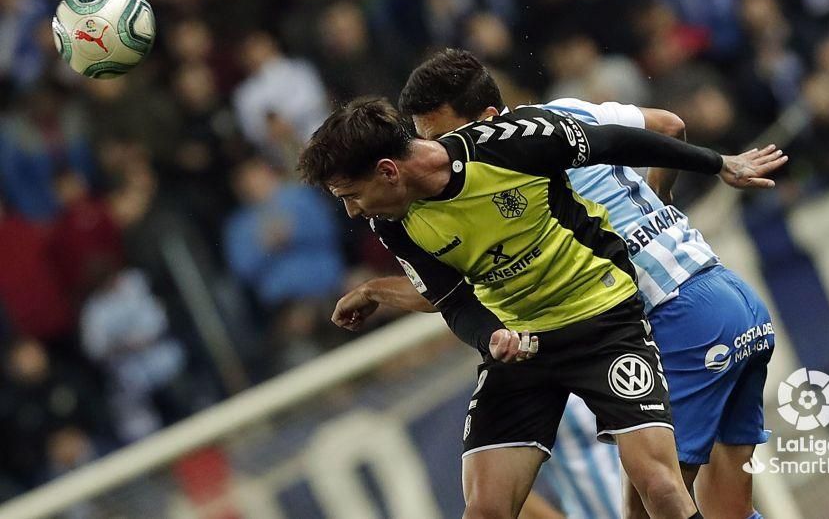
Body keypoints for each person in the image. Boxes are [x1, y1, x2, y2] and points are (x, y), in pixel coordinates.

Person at [332, 49, 777, 519]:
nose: (432, 153)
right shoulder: (565, 112)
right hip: (728, 294)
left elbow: (449, 292)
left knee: (650, 505)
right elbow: (668, 124)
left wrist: (375, 291)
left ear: (485, 119)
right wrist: (659, 201)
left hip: (672, 312)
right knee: (727, 510)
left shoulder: (499, 172)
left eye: (441, 138)